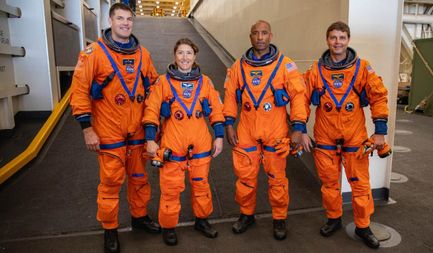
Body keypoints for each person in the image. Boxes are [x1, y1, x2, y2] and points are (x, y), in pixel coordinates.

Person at [70, 3, 160, 253]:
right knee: (110, 182)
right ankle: (110, 228)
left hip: (138, 130)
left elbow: (154, 87)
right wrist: (87, 128)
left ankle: (139, 218)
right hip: (108, 130)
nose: (125, 23)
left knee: (140, 178)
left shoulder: (143, 54)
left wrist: (154, 124)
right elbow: (78, 92)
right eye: (120, 18)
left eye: (129, 19)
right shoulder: (93, 53)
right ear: (110, 21)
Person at [301, 21, 389, 249]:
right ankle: (333, 219)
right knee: (329, 183)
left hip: (354, 137)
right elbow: (300, 97)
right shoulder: (316, 71)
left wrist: (380, 132)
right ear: (327, 40)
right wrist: (299, 128)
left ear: (348, 40)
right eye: (333, 38)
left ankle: (363, 225)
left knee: (359, 185)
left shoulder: (362, 68)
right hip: (325, 136)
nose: (337, 42)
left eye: (341, 37)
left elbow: (378, 96)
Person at [223, 20, 308, 240]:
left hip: (276, 131)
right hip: (247, 130)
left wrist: (298, 128)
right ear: (250, 36)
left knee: (277, 179)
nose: (260, 37)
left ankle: (279, 218)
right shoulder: (238, 67)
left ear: (271, 36)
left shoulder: (285, 65)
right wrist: (229, 123)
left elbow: (299, 96)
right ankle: (246, 214)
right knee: (245, 177)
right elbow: (231, 96)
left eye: (264, 33)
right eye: (255, 33)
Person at [143, 38, 225, 246]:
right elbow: (151, 110)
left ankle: (202, 220)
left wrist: (219, 136)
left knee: (201, 186)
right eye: (180, 53)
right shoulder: (163, 82)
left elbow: (216, 109)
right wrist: (151, 140)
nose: (185, 57)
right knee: (170, 189)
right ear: (174, 55)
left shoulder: (205, 82)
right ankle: (169, 226)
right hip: (172, 144)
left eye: (189, 53)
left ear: (195, 56)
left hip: (200, 143)